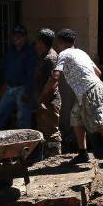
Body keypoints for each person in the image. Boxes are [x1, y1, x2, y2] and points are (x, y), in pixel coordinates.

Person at [40, 29, 103, 163]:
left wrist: (43, 96)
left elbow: (55, 77)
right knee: (75, 118)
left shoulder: (64, 54)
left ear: (60, 42)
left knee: (102, 125)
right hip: (87, 92)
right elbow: (98, 72)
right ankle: (82, 153)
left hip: (90, 91)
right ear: (74, 41)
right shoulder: (81, 52)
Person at [0, 25, 36, 130]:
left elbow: (31, 74)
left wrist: (27, 91)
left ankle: (25, 142)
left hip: (22, 89)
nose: (18, 39)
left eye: (20, 36)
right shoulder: (10, 52)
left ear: (25, 38)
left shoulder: (29, 53)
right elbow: (2, 70)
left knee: (23, 118)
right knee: (0, 112)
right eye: (15, 36)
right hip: (10, 88)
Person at [33, 28, 61, 157]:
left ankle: (54, 158)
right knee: (44, 129)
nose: (36, 43)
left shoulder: (50, 58)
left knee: (52, 131)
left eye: (38, 40)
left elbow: (53, 81)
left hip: (49, 100)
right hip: (44, 100)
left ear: (42, 42)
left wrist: (42, 100)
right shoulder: (44, 56)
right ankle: (45, 157)